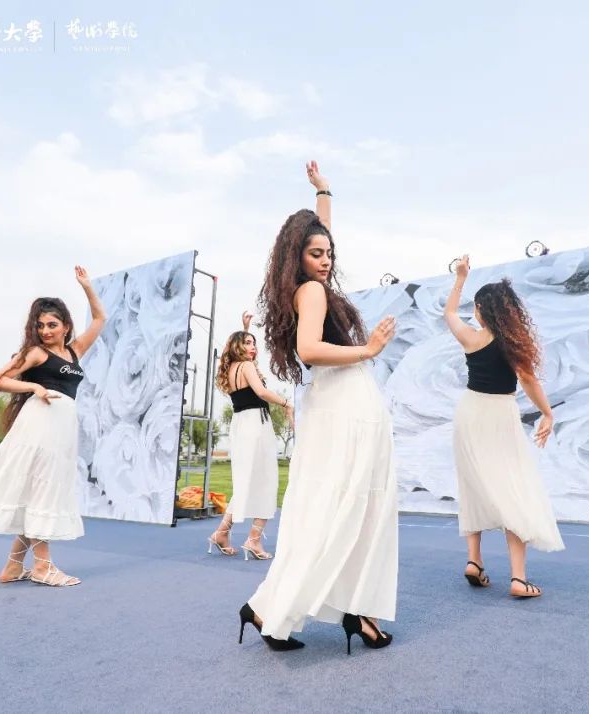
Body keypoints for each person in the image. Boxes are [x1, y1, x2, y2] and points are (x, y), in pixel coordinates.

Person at [238, 161, 398, 653]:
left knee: (340, 506)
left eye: (329, 253)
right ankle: (352, 611)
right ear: (298, 256)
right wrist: (368, 350)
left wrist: (324, 193)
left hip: (337, 402)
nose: (326, 261)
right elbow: (308, 349)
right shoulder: (311, 291)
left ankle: (278, 609)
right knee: (352, 507)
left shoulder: (307, 285)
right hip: (346, 401)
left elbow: (318, 233)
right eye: (316, 254)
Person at [0, 266, 106, 587]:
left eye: (52, 324)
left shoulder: (74, 351)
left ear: (66, 326)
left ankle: (13, 567)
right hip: (39, 425)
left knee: (39, 491)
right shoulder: (36, 353)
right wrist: (33, 387)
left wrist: (86, 287)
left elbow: (99, 319)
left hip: (62, 430)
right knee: (41, 491)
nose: (45, 330)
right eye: (40, 325)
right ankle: (42, 567)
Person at [444, 255, 564, 598]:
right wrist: (547, 413)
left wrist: (460, 278)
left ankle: (474, 561)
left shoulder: (471, 338)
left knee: (473, 485)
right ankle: (518, 579)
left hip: (469, 412)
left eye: (476, 307)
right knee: (514, 488)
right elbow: (528, 380)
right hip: (499, 414)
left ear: (482, 309)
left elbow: (449, 314)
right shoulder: (513, 344)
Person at [208, 311, 293, 560]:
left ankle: (221, 533)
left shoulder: (232, 368)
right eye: (247, 342)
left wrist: (244, 329)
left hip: (241, 425)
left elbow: (233, 353)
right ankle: (253, 540)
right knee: (266, 481)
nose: (253, 346)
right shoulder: (246, 366)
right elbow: (261, 392)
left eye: (254, 343)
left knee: (246, 482)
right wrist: (286, 403)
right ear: (238, 347)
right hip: (256, 424)